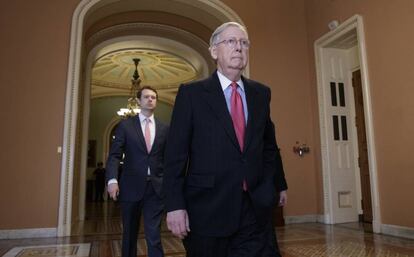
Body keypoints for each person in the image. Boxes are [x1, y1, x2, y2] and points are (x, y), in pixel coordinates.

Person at [163, 22, 288, 257]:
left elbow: (268, 145)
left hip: (254, 205)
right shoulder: (191, 95)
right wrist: (175, 205)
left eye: (243, 43)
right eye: (231, 41)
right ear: (214, 51)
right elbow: (175, 155)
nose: (238, 48)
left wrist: (279, 184)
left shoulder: (261, 94)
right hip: (207, 209)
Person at [106, 86, 169, 257]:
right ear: (139, 101)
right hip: (130, 188)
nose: (150, 99)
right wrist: (112, 180)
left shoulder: (164, 128)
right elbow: (114, 156)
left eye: (154, 97)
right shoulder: (126, 126)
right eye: (147, 97)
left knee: (154, 235)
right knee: (129, 235)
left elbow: (169, 159)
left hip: (156, 189)